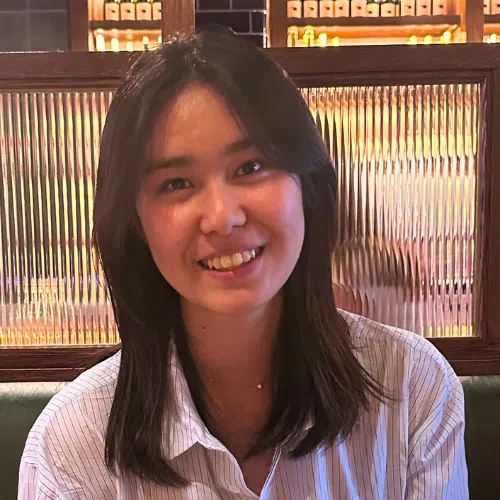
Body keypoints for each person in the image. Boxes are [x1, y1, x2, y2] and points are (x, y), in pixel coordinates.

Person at [18, 29, 468, 499]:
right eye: (176, 183)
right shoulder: (72, 446)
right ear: (135, 222)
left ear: (306, 184)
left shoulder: (410, 389)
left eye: (250, 167)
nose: (222, 217)